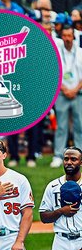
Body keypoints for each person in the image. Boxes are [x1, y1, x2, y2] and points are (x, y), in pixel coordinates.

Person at [50, 27, 82, 168]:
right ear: (61, 37)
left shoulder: (80, 53)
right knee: (61, 126)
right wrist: (65, 89)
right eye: (65, 36)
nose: (67, 38)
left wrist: (74, 89)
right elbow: (54, 74)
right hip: (62, 93)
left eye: (70, 35)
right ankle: (58, 155)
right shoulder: (57, 53)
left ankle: (79, 154)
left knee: (79, 125)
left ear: (73, 37)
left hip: (78, 93)